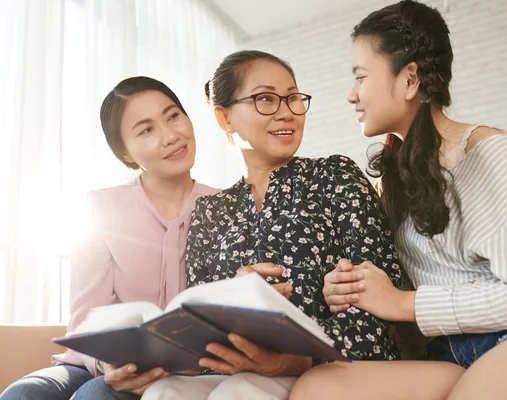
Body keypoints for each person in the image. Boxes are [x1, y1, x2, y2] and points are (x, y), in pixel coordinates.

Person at [289, 1, 507, 399]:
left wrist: (402, 303)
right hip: (457, 355)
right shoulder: (396, 181)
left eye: (361, 77)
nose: (352, 95)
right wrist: (350, 290)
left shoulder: (487, 151)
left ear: (409, 79)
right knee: (318, 388)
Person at [142, 50, 460, 400]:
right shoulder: (208, 210)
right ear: (224, 117)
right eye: (266, 98)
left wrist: (295, 359)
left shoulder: (334, 176)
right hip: (231, 370)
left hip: (333, 368)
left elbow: (381, 315)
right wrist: (229, 299)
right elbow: (199, 325)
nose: (287, 112)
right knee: (164, 391)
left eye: (293, 98)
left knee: (240, 391)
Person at [0, 77, 220, 400]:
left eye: (173, 116)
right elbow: (87, 315)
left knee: (96, 397)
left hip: (185, 374)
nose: (170, 136)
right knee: (22, 395)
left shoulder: (226, 207)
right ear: (125, 153)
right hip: (97, 363)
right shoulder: (100, 208)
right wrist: (105, 362)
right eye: (146, 130)